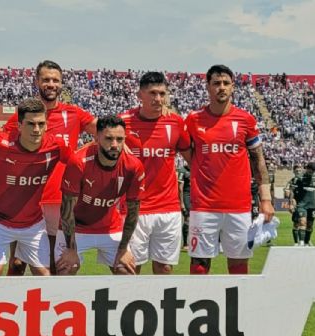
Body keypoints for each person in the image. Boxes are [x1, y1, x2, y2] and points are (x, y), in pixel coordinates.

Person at [3, 60, 96, 275]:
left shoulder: (74, 113)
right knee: (17, 265)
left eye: (55, 80)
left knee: (53, 263)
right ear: (37, 81)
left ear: (62, 84)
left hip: (59, 199)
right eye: (46, 79)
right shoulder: (23, 116)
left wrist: (80, 153)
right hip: (27, 200)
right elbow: (3, 147)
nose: (51, 84)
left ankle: (48, 308)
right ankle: (9, 307)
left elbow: (106, 133)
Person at [184, 64, 274, 275]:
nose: (221, 87)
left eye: (226, 83)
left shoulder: (246, 119)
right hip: (204, 206)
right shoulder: (193, 120)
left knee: (239, 265)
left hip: (239, 207)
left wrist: (266, 199)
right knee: (199, 266)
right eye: (216, 83)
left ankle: (238, 308)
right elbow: (186, 152)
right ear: (208, 87)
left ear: (233, 86)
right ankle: (199, 306)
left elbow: (258, 160)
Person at [0, 98, 71, 276]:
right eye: (30, 124)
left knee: (45, 275)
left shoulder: (56, 146)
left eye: (41, 124)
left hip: (33, 223)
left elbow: (79, 161)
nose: (36, 129)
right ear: (19, 125)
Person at [119, 72, 190, 274]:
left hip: (168, 208)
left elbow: (193, 159)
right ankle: (129, 304)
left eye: (162, 93)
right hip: (133, 207)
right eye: (152, 93)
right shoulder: (122, 123)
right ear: (139, 95)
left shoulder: (175, 123)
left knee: (164, 268)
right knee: (130, 268)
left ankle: (162, 306)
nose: (158, 99)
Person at [55, 115, 145, 276]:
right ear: (96, 137)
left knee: (127, 271)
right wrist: (70, 249)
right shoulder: (78, 161)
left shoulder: (133, 166)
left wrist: (123, 249)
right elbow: (67, 210)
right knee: (66, 269)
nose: (115, 145)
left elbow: (133, 211)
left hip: (110, 228)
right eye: (109, 139)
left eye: (119, 139)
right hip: (77, 228)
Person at [294, 162, 315, 246]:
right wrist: (292, 202)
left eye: (314, 171)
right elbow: (294, 191)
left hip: (313, 206)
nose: (312, 172)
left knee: (310, 225)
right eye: (311, 170)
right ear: (307, 169)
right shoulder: (300, 178)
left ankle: (306, 242)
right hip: (302, 205)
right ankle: (301, 242)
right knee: (302, 222)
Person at [285, 164, 304, 245]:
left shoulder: (306, 180)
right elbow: (289, 194)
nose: (298, 172)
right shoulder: (292, 181)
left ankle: (303, 241)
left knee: (304, 222)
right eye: (296, 171)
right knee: (296, 223)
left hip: (305, 204)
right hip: (296, 204)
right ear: (293, 171)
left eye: (299, 170)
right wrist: (291, 203)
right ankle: (296, 242)